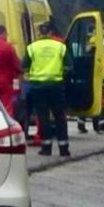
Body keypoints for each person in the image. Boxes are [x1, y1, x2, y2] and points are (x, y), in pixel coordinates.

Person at [23, 19, 71, 157]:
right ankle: (64, 148)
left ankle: (46, 147)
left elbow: (24, 65)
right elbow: (69, 66)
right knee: (59, 116)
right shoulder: (60, 47)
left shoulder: (32, 47)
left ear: (40, 33)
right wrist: (62, 75)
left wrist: (31, 75)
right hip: (56, 85)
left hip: (38, 86)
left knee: (43, 117)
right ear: (51, 32)